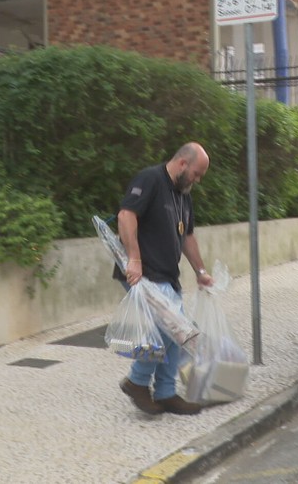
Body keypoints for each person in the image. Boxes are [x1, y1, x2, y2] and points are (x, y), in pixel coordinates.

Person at [117, 142, 215, 416]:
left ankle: (165, 392)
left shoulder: (183, 195)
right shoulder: (150, 179)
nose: (197, 180)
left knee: (176, 333)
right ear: (182, 163)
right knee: (169, 329)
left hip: (167, 276)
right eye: (196, 173)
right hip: (143, 273)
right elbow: (126, 216)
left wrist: (200, 271)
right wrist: (134, 259)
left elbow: (189, 236)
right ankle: (137, 381)